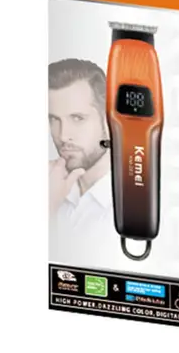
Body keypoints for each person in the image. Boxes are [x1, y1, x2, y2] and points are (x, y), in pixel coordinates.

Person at [48, 58, 116, 267]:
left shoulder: (131, 208)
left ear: (108, 119)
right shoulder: (51, 187)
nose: (63, 135)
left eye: (77, 118)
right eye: (54, 119)